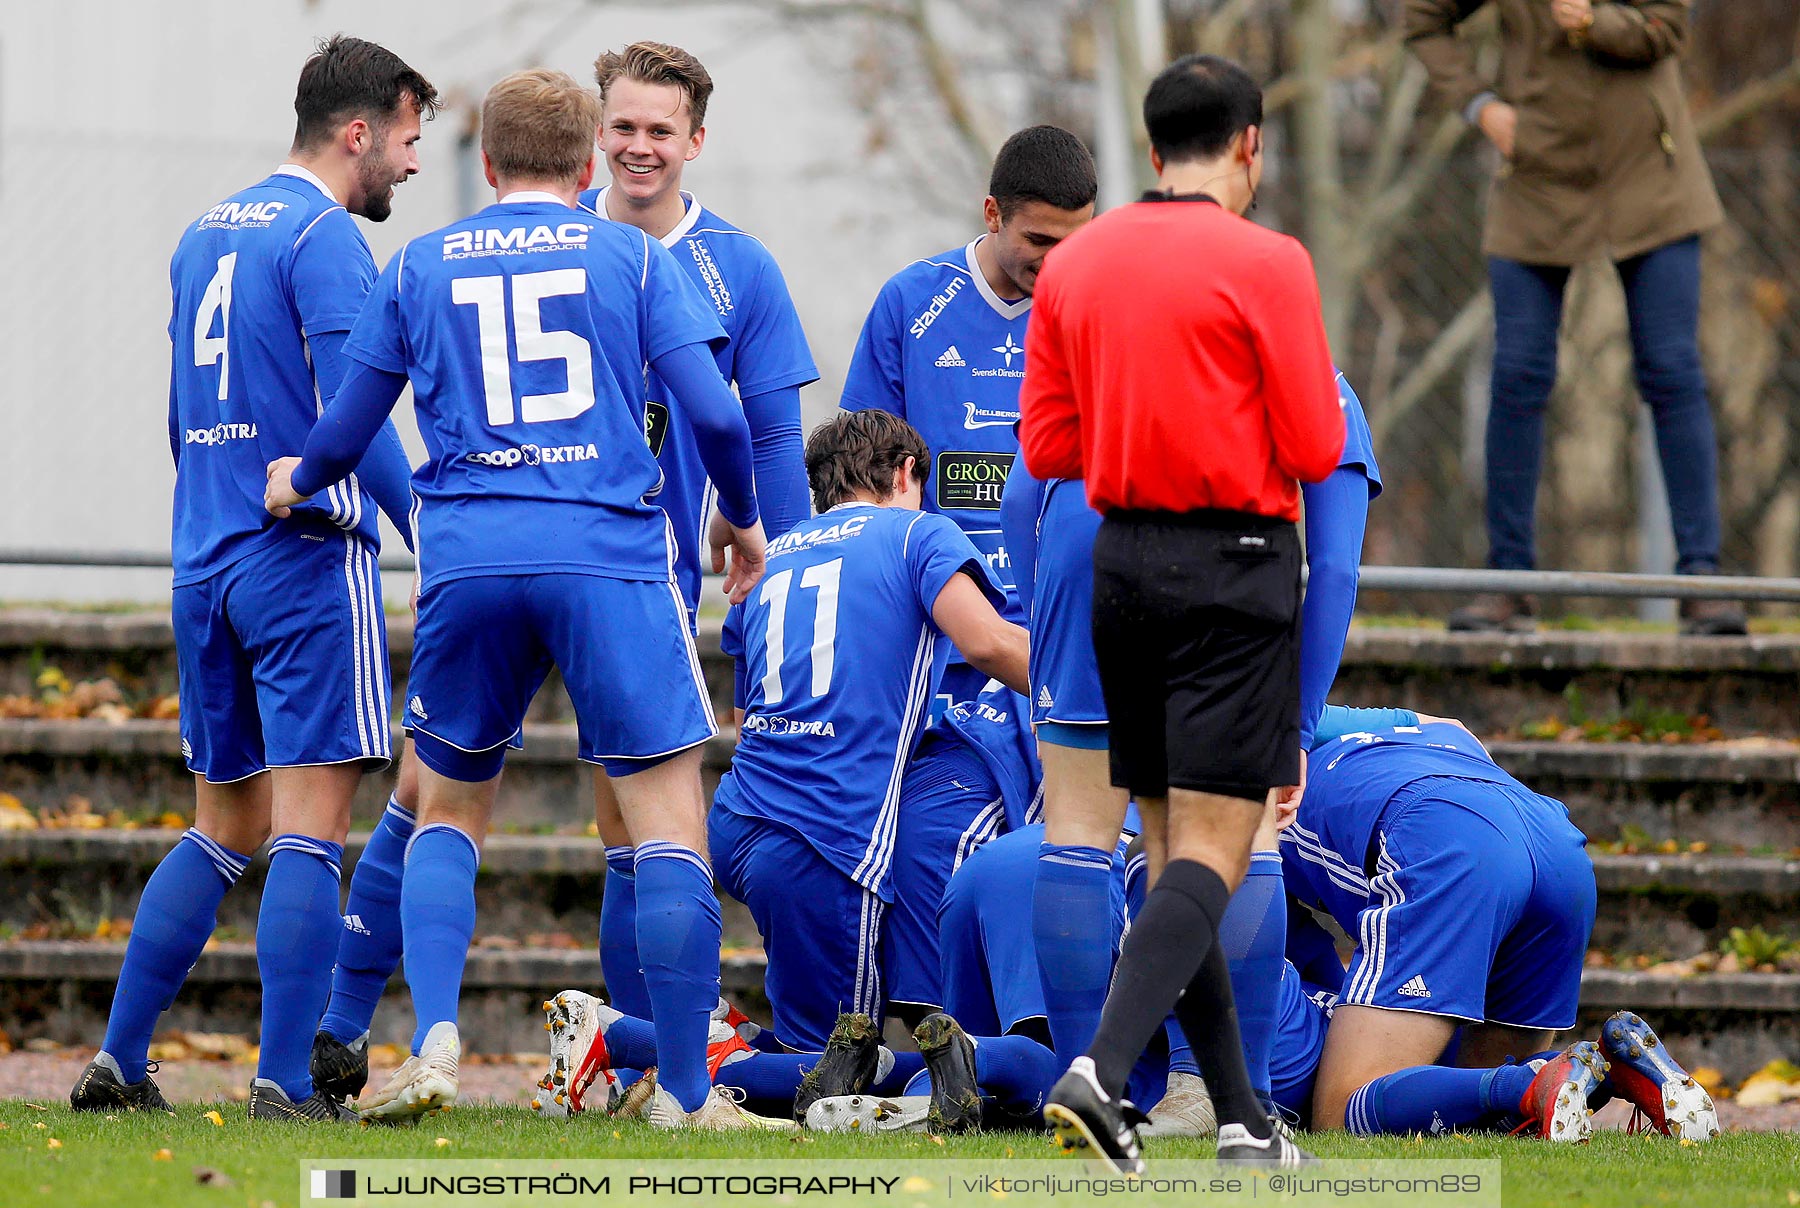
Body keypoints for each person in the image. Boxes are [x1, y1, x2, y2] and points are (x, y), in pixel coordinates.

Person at [263, 68, 771, 1131]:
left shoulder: (418, 263)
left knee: (444, 806)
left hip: (471, 557)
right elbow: (720, 419)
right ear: (587, 165)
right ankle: (685, 1091)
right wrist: (743, 513)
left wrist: (297, 479)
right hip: (607, 553)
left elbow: (350, 428)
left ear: (486, 164)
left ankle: (436, 1029)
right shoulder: (629, 253)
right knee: (667, 822)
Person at [67, 36, 435, 1124]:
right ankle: (282, 1082)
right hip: (302, 560)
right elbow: (356, 416)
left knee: (220, 825)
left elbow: (178, 414)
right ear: (359, 131)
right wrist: (430, 531)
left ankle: (119, 1061)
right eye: (408, 140)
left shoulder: (204, 231)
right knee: (309, 829)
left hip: (204, 559)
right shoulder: (326, 237)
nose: (413, 165)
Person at [1019, 54, 1345, 1172]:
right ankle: (1100, 1071)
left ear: (1149, 152)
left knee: (1169, 857)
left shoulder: (1078, 263)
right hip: (1235, 561)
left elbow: (1048, 447)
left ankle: (1246, 1120)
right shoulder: (1268, 261)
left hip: (1120, 562)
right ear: (1249, 146)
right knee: (1215, 848)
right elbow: (1311, 447)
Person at [577, 39, 818, 1033]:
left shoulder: (738, 267)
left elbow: (770, 433)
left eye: (660, 131)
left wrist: (785, 570)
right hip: (563, 565)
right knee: (605, 810)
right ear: (597, 131)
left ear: (696, 140)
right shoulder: (551, 242)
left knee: (646, 814)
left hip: (676, 574)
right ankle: (655, 1042)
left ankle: (656, 1040)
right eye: (624, 127)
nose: (640, 148)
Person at [1403, 0, 1745, 636]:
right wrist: (1482, 107)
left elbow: (1666, 30)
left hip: (1652, 175)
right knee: (1518, 371)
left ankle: (1703, 581)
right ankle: (1509, 582)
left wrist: (1592, 20)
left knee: (1672, 370)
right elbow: (1423, 20)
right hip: (1537, 175)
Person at [707, 410, 1028, 1054]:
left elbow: (748, 715)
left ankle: (710, 1044)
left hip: (742, 814)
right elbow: (988, 643)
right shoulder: (919, 534)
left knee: (820, 1049)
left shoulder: (777, 553)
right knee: (838, 1072)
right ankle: (639, 1046)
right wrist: (1095, 689)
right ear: (907, 471)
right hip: (824, 835)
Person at [842, 127, 1095, 716]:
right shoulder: (911, 302)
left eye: (1074, 243)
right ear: (992, 214)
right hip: (937, 639)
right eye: (1038, 238)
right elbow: (860, 487)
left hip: (1065, 637)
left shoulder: (1102, 316)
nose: (1056, 260)